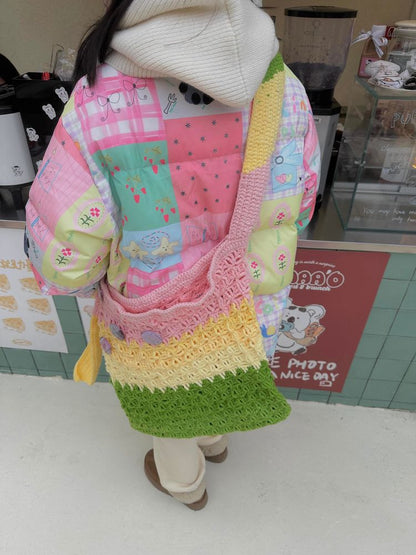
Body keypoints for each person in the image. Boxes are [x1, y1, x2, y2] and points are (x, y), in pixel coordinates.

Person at [25, 0, 320, 510]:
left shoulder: (100, 98)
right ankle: (216, 439)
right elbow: (305, 192)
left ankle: (185, 484)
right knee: (227, 361)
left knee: (170, 398)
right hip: (253, 289)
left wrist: (76, 281)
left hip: (156, 302)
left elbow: (69, 239)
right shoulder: (281, 82)